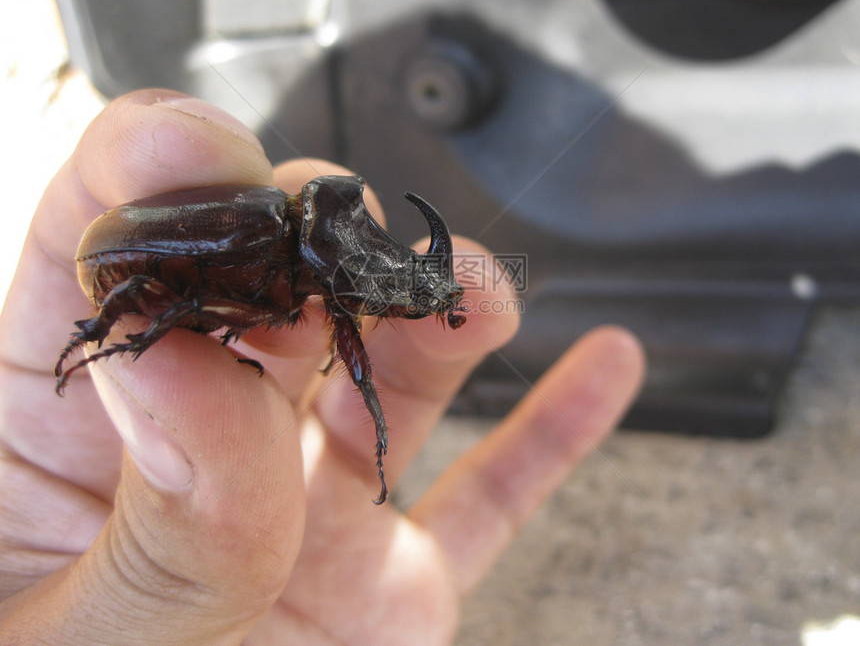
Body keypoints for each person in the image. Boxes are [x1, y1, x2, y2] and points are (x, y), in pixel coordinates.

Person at [0, 89, 644, 645]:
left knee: (215, 313)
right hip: (118, 264)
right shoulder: (268, 241)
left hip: (151, 263)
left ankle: (112, 343)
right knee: (185, 303)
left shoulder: (309, 279)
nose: (398, 297)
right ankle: (100, 342)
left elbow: (348, 342)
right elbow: (193, 302)